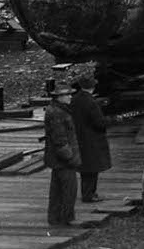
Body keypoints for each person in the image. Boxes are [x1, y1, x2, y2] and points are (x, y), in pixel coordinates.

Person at [69, 75, 111, 203]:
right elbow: (99, 123)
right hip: (92, 139)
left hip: (78, 137)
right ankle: (89, 195)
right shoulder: (91, 102)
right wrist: (110, 121)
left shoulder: (74, 100)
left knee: (85, 169)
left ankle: (86, 193)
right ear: (92, 87)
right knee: (92, 168)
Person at [44, 88, 82, 227]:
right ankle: (65, 218)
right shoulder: (58, 114)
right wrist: (70, 157)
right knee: (68, 190)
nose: (70, 97)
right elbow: (60, 140)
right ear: (59, 97)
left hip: (57, 160)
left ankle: (56, 218)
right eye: (67, 95)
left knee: (57, 191)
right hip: (62, 160)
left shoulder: (58, 110)